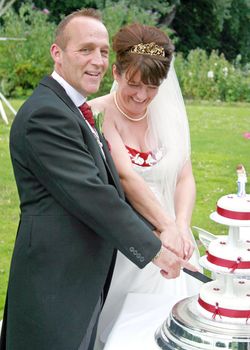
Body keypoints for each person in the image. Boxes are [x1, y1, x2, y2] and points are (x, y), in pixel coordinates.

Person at [0, 9, 195, 350]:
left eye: (103, 51)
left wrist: (162, 231)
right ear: (56, 53)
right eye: (86, 49)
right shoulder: (46, 114)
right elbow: (95, 197)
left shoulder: (73, 109)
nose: (98, 60)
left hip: (83, 274)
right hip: (56, 283)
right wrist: (155, 251)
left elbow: (110, 192)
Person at [89, 23, 202, 348]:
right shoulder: (99, 114)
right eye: (133, 83)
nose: (141, 95)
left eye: (152, 87)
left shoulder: (170, 116)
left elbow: (184, 177)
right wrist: (167, 227)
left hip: (174, 239)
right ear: (116, 72)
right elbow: (127, 178)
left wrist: (181, 226)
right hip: (129, 245)